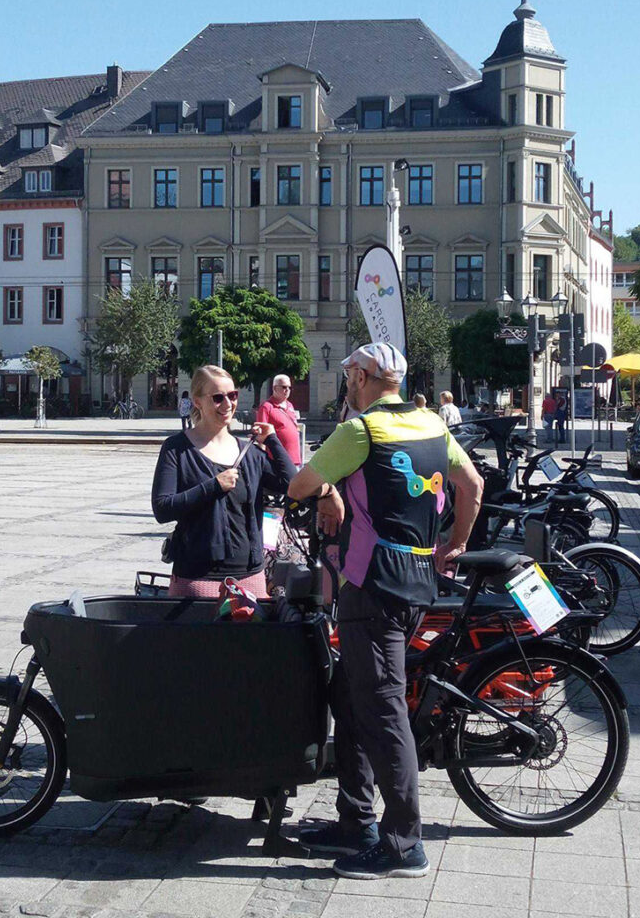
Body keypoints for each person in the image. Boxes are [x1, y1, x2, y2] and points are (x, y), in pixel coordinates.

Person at [288, 342, 483, 880]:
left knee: (382, 710)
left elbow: (300, 483)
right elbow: (472, 485)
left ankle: (403, 845)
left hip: (370, 587)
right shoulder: (430, 426)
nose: (348, 380)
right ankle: (357, 820)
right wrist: (456, 543)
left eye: (352, 373)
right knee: (348, 696)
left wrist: (328, 490)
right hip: (418, 580)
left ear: (369, 377)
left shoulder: (362, 430)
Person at [151, 366, 297, 598]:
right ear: (198, 401)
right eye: (218, 398)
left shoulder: (249, 451)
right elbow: (163, 508)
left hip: (250, 577)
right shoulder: (176, 449)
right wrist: (213, 486)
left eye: (233, 395)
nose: (228, 404)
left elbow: (291, 483)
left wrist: (272, 440)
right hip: (197, 579)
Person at [256, 374, 302, 466]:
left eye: (289, 387)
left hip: (294, 459)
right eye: (284, 387)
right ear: (275, 388)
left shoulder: (290, 405)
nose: (287, 390)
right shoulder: (266, 407)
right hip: (276, 460)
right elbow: (261, 434)